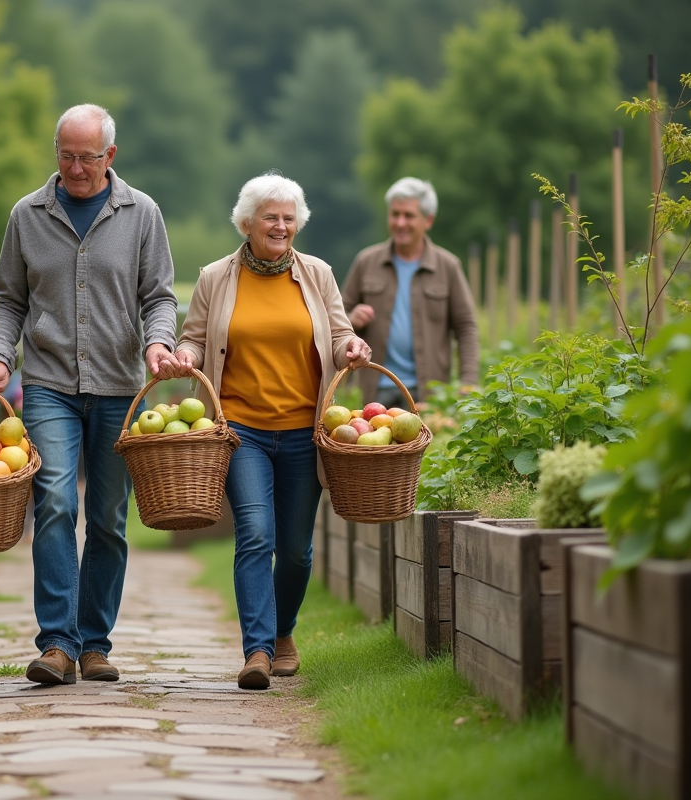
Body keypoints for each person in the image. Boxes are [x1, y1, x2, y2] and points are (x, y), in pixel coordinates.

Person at [0, 104, 179, 685]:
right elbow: (9, 299)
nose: (77, 168)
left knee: (109, 519)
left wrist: (158, 344)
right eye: (66, 156)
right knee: (55, 503)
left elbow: (159, 297)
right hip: (49, 385)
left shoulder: (142, 214)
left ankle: (95, 644)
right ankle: (57, 643)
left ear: (110, 155)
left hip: (118, 386)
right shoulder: (27, 214)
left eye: (88, 157)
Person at [160, 173, 371, 690]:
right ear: (247, 223)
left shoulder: (318, 274)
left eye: (288, 217)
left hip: (305, 429)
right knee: (255, 533)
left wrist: (351, 347)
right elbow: (193, 339)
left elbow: (340, 331)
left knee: (297, 550)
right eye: (270, 217)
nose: (280, 226)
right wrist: (185, 355)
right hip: (241, 431)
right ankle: (256, 650)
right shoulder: (215, 277)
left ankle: (282, 633)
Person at [341, 177, 478, 409]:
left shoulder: (448, 266)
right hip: (375, 391)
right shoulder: (366, 262)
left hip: (427, 393)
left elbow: (466, 327)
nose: (400, 222)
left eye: (409, 215)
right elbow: (337, 317)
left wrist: (469, 381)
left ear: (428, 220)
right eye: (395, 214)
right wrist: (352, 319)